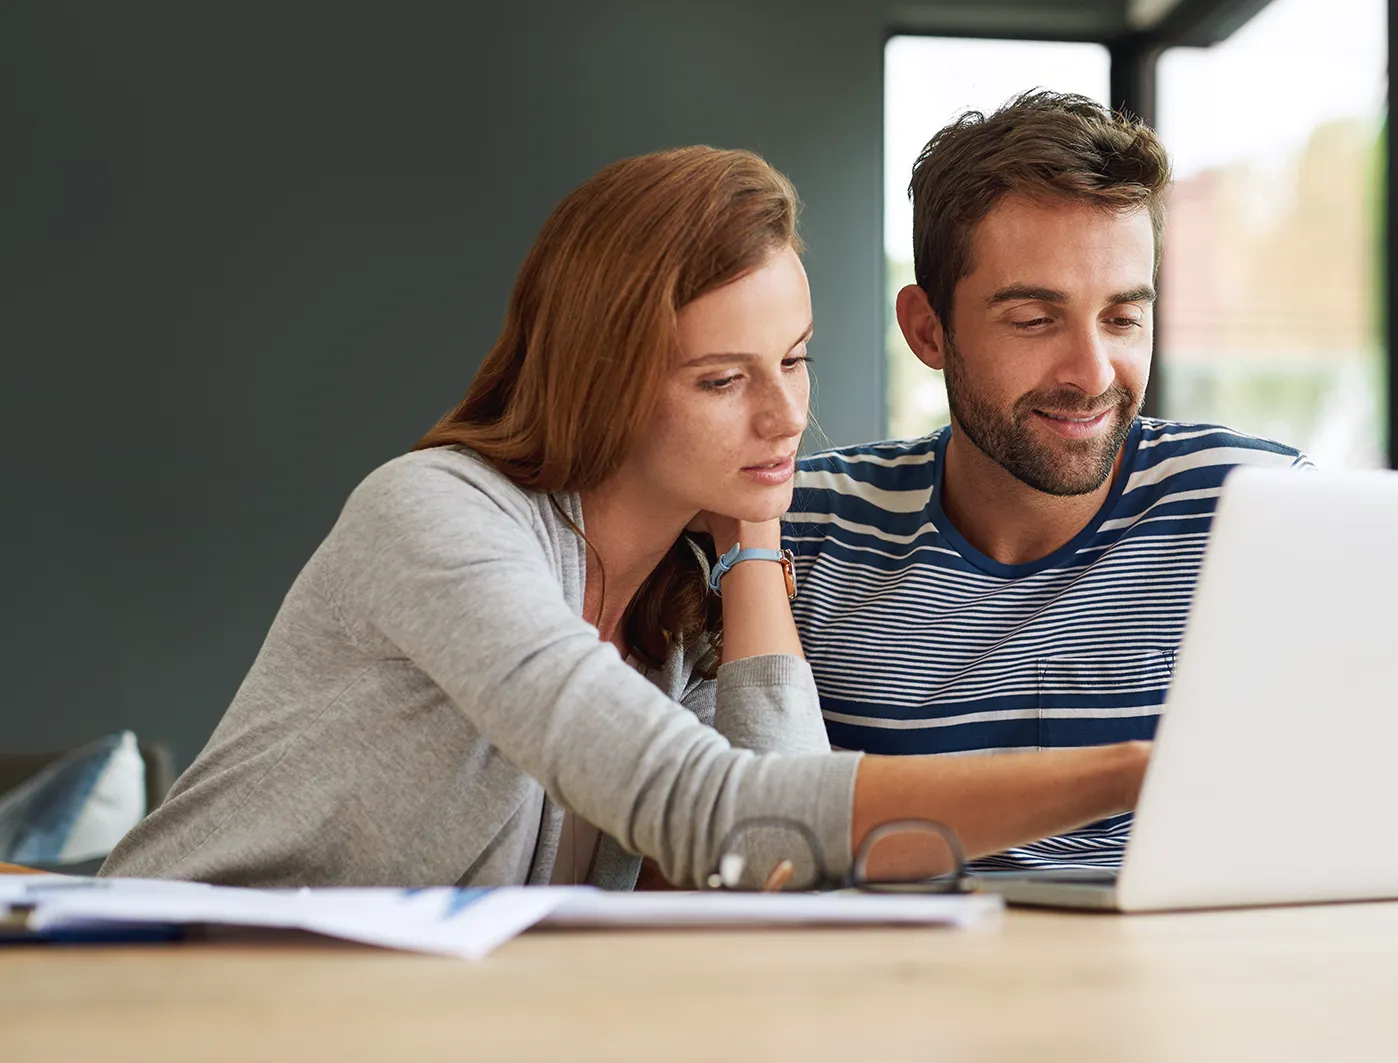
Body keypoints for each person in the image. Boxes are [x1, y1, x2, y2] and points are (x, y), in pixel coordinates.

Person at [103, 146, 1149, 889]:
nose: (788, 413)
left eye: (794, 359)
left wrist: (755, 536)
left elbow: (763, 873)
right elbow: (724, 816)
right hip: (158, 996)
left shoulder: (673, 614)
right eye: (721, 379)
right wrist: (1137, 772)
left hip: (388, 1027)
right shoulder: (434, 518)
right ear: (603, 382)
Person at [786, 92, 1309, 871]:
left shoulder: (1260, 507)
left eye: (1123, 319)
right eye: (1034, 320)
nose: (1092, 374)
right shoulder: (804, 526)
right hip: (900, 983)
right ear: (928, 330)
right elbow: (747, 840)